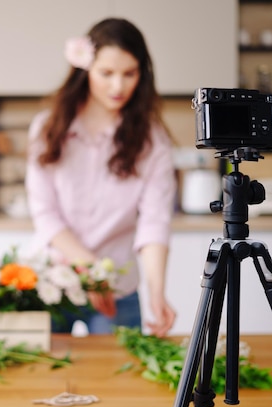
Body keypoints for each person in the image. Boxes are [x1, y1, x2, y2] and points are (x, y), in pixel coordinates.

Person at [25, 17, 177, 336]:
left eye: (129, 74)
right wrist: (92, 269)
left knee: (117, 382)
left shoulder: (153, 140)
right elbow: (45, 216)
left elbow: (154, 223)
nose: (118, 86)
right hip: (53, 285)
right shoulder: (48, 128)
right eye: (106, 73)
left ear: (142, 74)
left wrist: (157, 292)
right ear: (85, 69)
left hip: (117, 292)